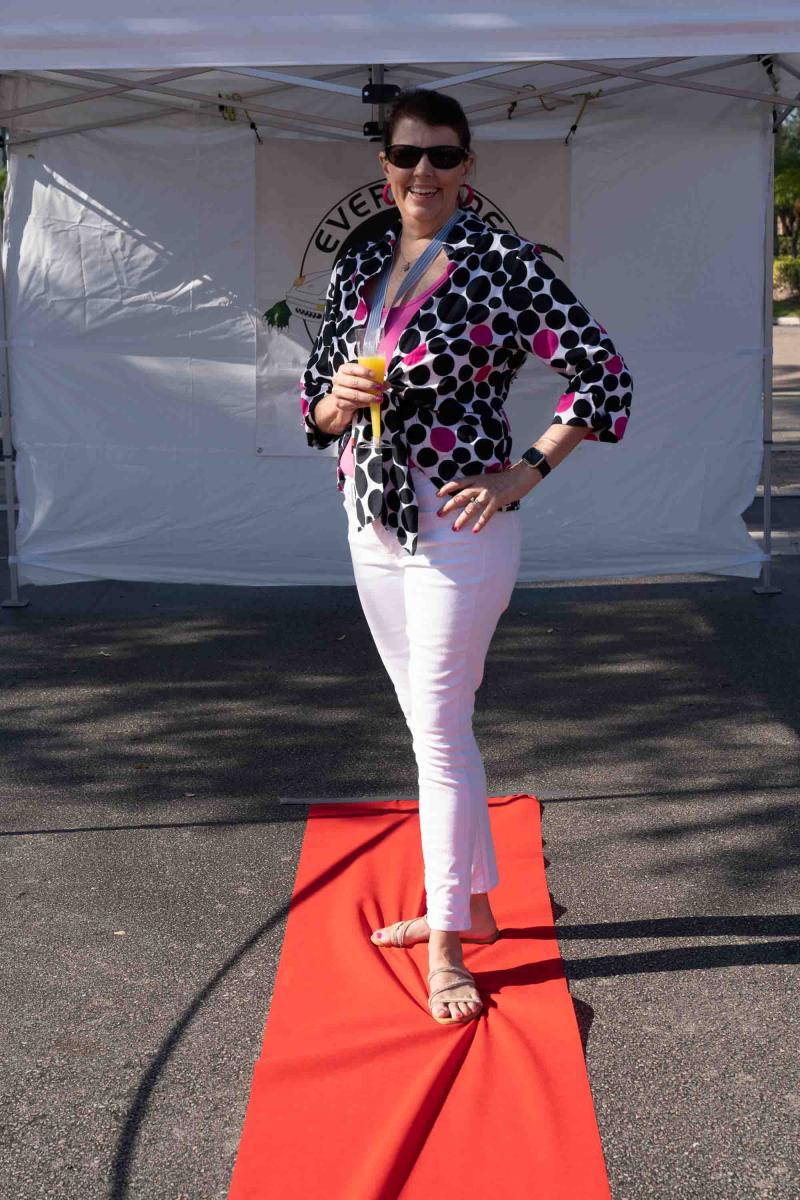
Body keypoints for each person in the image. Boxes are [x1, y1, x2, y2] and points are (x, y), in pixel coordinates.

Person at [300, 88, 633, 1026]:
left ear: (467, 167)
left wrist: (524, 473)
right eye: (408, 155)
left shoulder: (501, 263)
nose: (425, 172)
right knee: (429, 727)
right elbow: (313, 405)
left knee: (441, 733)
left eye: (443, 156)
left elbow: (602, 373)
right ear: (385, 166)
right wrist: (336, 401)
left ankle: (447, 943)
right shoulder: (360, 261)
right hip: (370, 518)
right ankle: (475, 906)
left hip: (459, 527)